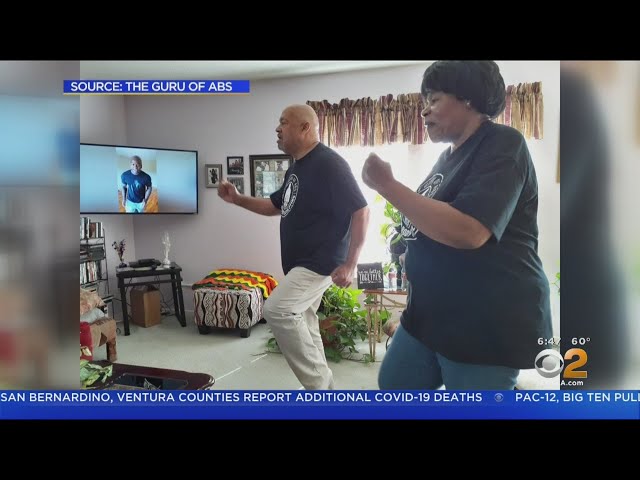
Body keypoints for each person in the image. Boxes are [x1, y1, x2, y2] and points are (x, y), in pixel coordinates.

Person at [362, 61, 552, 390]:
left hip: (483, 323)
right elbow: (428, 220)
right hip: (428, 315)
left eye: (434, 100)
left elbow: (470, 230)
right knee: (394, 387)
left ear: (468, 98)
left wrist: (387, 186)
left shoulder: (503, 143)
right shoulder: (446, 158)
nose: (424, 111)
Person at [218, 104, 369, 390]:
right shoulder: (297, 168)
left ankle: (321, 391)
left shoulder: (329, 163)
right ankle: (325, 390)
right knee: (307, 324)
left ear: (305, 127)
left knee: (278, 309)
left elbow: (361, 210)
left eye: (284, 122)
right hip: (301, 262)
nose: (277, 128)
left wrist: (351, 263)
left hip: (319, 261)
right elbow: (274, 206)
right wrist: (237, 199)